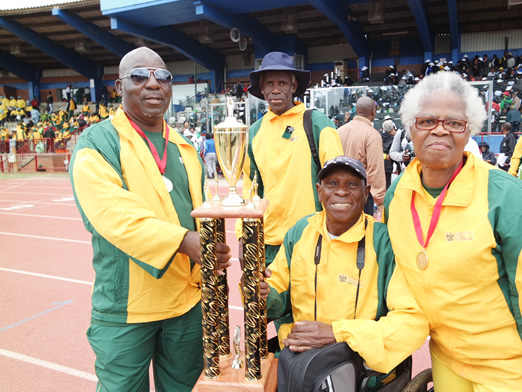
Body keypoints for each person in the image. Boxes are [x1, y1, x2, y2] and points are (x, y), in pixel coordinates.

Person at [379, 71, 522, 389]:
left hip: (508, 367)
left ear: (470, 132)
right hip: (447, 357)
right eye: (427, 121)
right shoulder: (398, 195)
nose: (440, 129)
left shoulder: (509, 199)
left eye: (454, 123)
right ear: (411, 127)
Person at [70, 47, 232, 391]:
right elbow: (112, 214)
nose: (153, 84)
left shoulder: (186, 147)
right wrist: (185, 242)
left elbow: (199, 216)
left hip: (185, 304)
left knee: (188, 387)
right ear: (119, 86)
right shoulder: (98, 142)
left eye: (163, 76)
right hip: (127, 308)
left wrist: (211, 252)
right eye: (140, 76)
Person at [260, 156, 428, 388]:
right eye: (331, 184)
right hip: (303, 367)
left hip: (365, 378)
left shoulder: (384, 243)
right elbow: (275, 292)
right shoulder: (301, 232)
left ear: (366, 192)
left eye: (351, 184)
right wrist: (261, 291)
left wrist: (338, 333)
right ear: (319, 192)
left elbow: (412, 322)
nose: (341, 192)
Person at [243, 51, 344, 346]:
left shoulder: (316, 122)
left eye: (282, 83)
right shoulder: (254, 133)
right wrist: (243, 238)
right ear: (261, 89)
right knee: (260, 314)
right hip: (266, 244)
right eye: (270, 84)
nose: (276, 90)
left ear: (293, 87)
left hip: (308, 241)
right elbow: (250, 189)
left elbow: (338, 180)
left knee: (305, 319)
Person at [337, 96, 387, 218]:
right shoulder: (372, 135)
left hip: (339, 193)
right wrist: (379, 202)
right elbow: (375, 170)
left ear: (357, 110)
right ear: (373, 111)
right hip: (362, 197)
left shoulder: (339, 131)